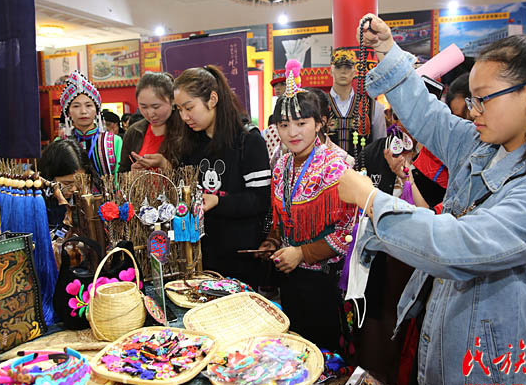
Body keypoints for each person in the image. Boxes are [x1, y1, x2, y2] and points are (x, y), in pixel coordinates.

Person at [338, 15, 526, 385]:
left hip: (482, 377)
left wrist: (371, 200)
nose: (473, 111)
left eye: (484, 98)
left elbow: (459, 244)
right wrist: (388, 51)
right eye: (472, 99)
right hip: (438, 341)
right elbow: (430, 118)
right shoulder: (483, 146)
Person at [259, 73, 354, 351]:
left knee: (323, 351)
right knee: (295, 346)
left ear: (319, 123)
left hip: (325, 281)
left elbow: (348, 233)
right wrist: (273, 241)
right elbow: (281, 216)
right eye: (284, 125)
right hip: (289, 276)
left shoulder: (335, 166)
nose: (293, 132)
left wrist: (301, 253)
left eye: (301, 123)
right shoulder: (282, 165)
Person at [171, 65, 271, 288]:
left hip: (241, 260)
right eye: (179, 109)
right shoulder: (189, 144)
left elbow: (260, 200)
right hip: (202, 257)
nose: (184, 116)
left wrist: (218, 201)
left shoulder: (248, 140)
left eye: (189, 107)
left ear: (213, 99)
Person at [59, 71, 122, 179]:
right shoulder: (61, 143)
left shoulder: (114, 141)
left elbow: (121, 176)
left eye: (88, 105)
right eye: (76, 106)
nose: (83, 111)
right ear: (68, 112)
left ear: (97, 110)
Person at [118, 72, 182, 173]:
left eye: (156, 107)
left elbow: (196, 174)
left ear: (172, 100)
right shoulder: (134, 132)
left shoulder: (186, 129)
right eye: (143, 107)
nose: (150, 113)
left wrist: (165, 165)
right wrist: (131, 175)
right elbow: (122, 172)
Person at [328, 48, 386, 156]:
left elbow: (379, 147)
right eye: (338, 67)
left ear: (355, 72)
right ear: (331, 71)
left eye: (348, 67)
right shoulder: (319, 104)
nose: (343, 71)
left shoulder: (373, 107)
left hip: (362, 166)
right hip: (326, 166)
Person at [39, 139, 93, 234]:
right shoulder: (37, 201)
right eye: (67, 183)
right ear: (50, 177)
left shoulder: (84, 198)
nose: (74, 189)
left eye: (79, 183)